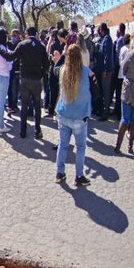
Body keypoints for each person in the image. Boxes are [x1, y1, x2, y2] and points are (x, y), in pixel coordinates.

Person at [53, 44, 92, 186]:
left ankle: (60, 172)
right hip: (79, 116)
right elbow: (95, 89)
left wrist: (63, 55)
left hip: (63, 114)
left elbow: (53, 69)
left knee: (63, 145)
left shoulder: (63, 71)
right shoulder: (86, 72)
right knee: (80, 147)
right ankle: (79, 175)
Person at [12, 26, 50, 139]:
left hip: (24, 78)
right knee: (37, 106)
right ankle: (37, 130)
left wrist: (1, 51)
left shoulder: (22, 44)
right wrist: (41, 74)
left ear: (27, 34)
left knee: (24, 105)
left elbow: (13, 56)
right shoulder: (41, 46)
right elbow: (46, 64)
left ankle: (22, 131)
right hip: (36, 79)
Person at [93, 23, 115, 121]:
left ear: (102, 30)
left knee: (106, 92)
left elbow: (107, 56)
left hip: (106, 70)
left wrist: (105, 69)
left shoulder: (106, 39)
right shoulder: (106, 39)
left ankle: (105, 114)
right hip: (105, 69)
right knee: (105, 91)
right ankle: (104, 111)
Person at [48, 29, 68, 117]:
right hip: (57, 70)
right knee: (55, 91)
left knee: (56, 92)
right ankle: (53, 109)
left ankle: (54, 110)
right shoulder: (57, 45)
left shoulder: (64, 46)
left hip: (59, 70)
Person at [7, 29, 22, 113]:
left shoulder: (20, 44)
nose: (13, 37)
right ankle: (11, 104)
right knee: (12, 88)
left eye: (15, 35)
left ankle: (14, 104)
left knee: (16, 89)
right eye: (12, 35)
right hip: (10, 69)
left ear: (18, 36)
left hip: (18, 69)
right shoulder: (9, 44)